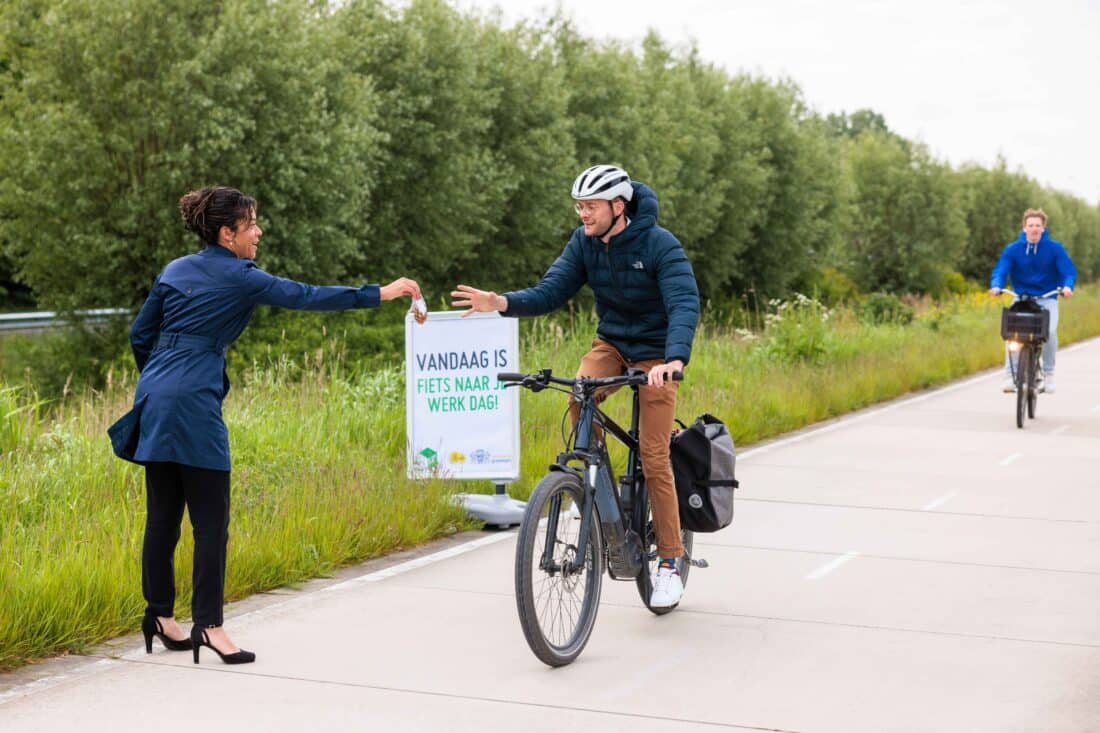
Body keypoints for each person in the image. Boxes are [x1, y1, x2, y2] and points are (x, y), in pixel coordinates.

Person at [109, 186, 421, 664]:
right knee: (211, 522)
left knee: (163, 517)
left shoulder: (174, 271)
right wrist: (381, 292)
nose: (258, 232)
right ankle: (209, 626)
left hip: (154, 394)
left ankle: (160, 617)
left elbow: (139, 334)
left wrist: (160, 377)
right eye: (250, 225)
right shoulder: (241, 276)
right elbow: (306, 296)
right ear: (226, 233)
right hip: (192, 401)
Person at [451, 165, 700, 607]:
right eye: (579, 207)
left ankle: (668, 562)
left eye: (590, 207)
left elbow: (684, 302)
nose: (583, 214)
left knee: (653, 453)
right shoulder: (584, 244)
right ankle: (591, 483)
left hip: (658, 354)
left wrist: (675, 359)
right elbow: (550, 292)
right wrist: (500, 302)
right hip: (613, 344)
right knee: (579, 394)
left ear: (617, 207)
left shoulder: (660, 245)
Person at [989, 208, 1075, 394]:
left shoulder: (1054, 249)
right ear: (1024, 227)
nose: (1034, 229)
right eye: (1031, 225)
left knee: (1049, 332)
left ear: (1043, 228)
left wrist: (1067, 286)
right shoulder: (1013, 249)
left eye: (1038, 225)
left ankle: (1049, 373)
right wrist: (996, 285)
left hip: (1047, 299)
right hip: (1021, 298)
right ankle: (1010, 376)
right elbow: (1001, 270)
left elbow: (1067, 271)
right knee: (1011, 333)